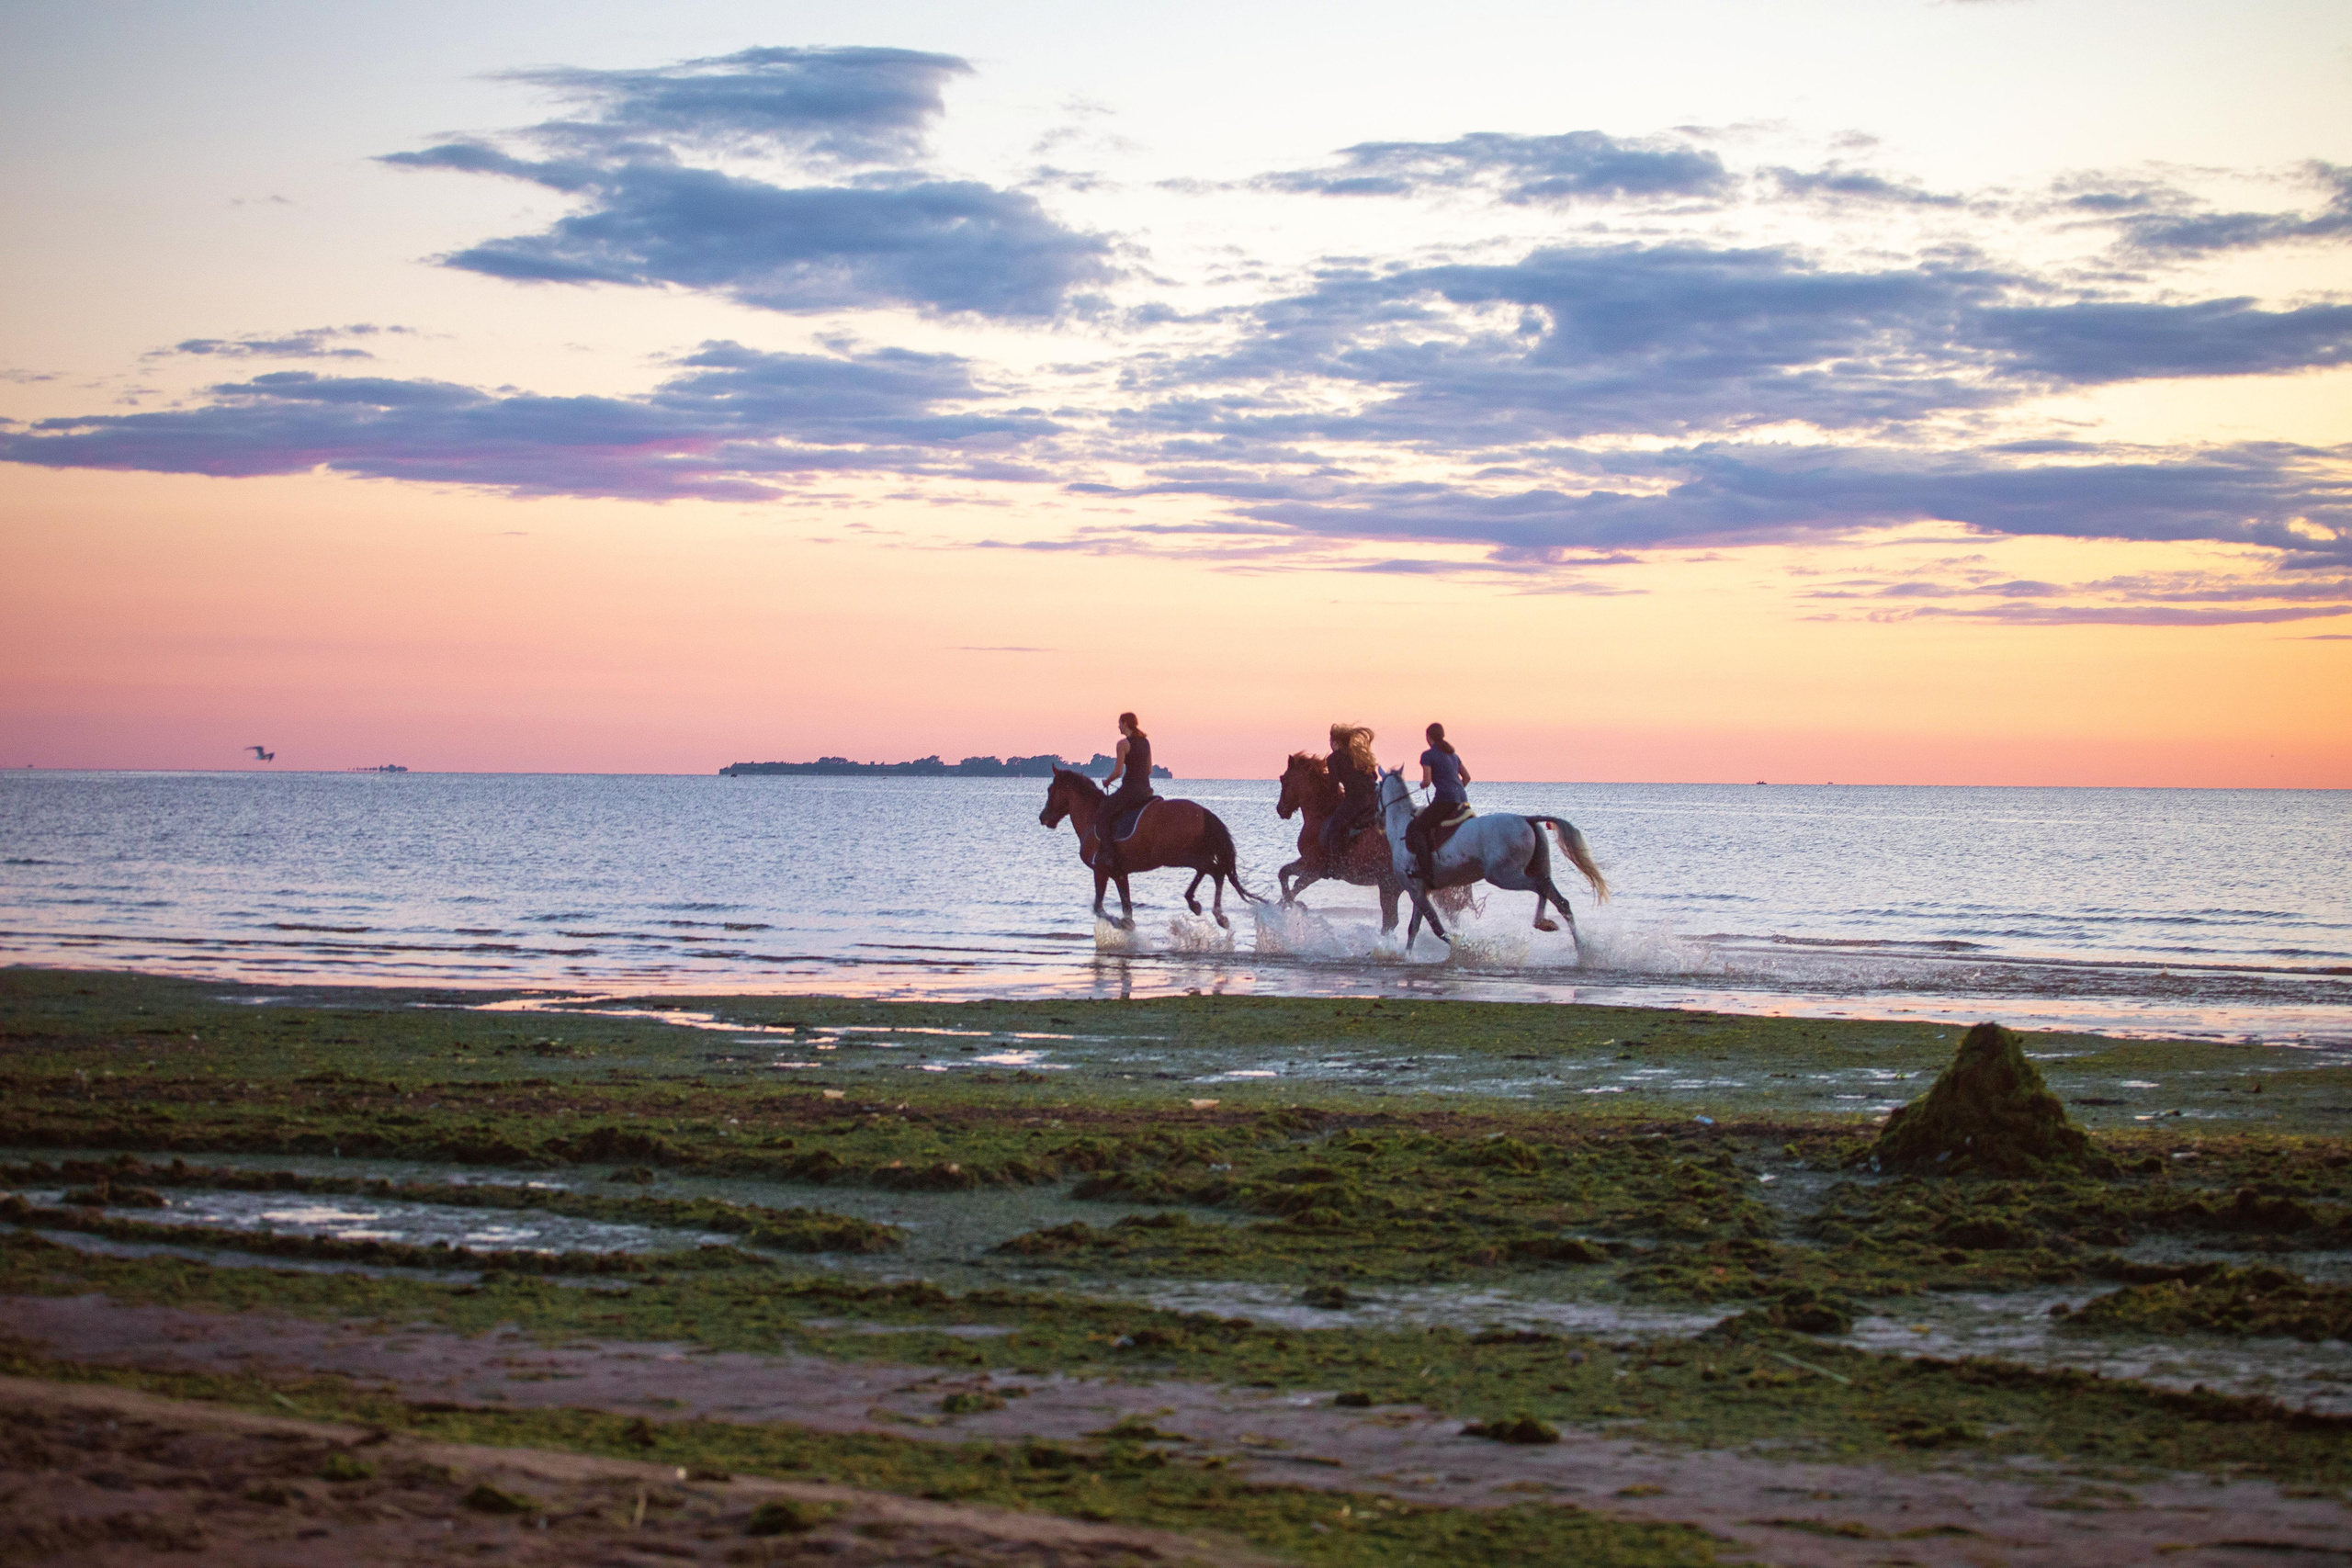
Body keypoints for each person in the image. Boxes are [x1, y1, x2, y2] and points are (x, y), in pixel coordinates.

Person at [1410, 721, 1472, 885]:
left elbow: (1427, 781)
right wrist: (1457, 791)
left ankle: (1426, 871)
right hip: (1463, 800)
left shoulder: (1428, 755)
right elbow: (1467, 778)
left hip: (1445, 800)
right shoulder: (1453, 755)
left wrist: (1423, 785)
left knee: (1418, 829)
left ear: (1428, 737)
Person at [1097, 712, 1155, 870]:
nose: (1118, 726)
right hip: (1146, 790)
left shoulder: (1123, 744)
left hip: (1130, 791)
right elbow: (1149, 770)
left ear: (1125, 724)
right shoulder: (1146, 742)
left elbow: (1118, 772)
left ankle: (1108, 855)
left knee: (1103, 813)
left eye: (1119, 723)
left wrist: (1107, 781)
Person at [1319, 723, 1379, 869]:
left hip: (1356, 800)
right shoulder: (1358, 754)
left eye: (1331, 741)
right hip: (1374, 798)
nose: (1330, 744)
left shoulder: (1334, 759)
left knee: (1334, 826)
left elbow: (1334, 786)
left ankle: (1334, 865)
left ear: (1336, 742)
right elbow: (1375, 776)